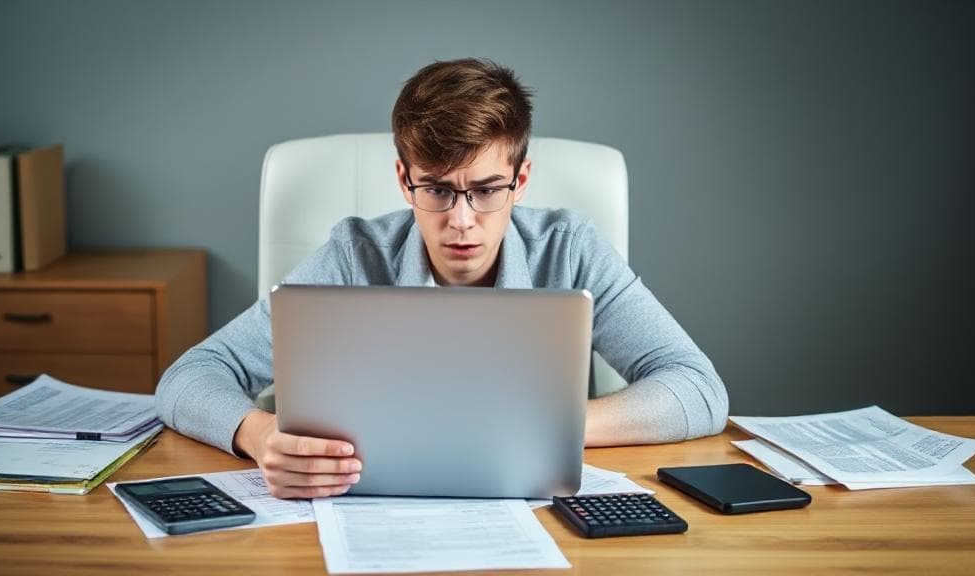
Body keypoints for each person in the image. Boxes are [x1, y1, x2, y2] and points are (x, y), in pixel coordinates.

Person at [156, 58, 728, 499]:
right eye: (436, 189)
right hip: (363, 508)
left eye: (485, 190)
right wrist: (259, 437)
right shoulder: (356, 254)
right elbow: (189, 376)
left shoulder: (569, 247)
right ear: (404, 181)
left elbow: (700, 391)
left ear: (521, 179)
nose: (461, 221)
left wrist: (541, 428)